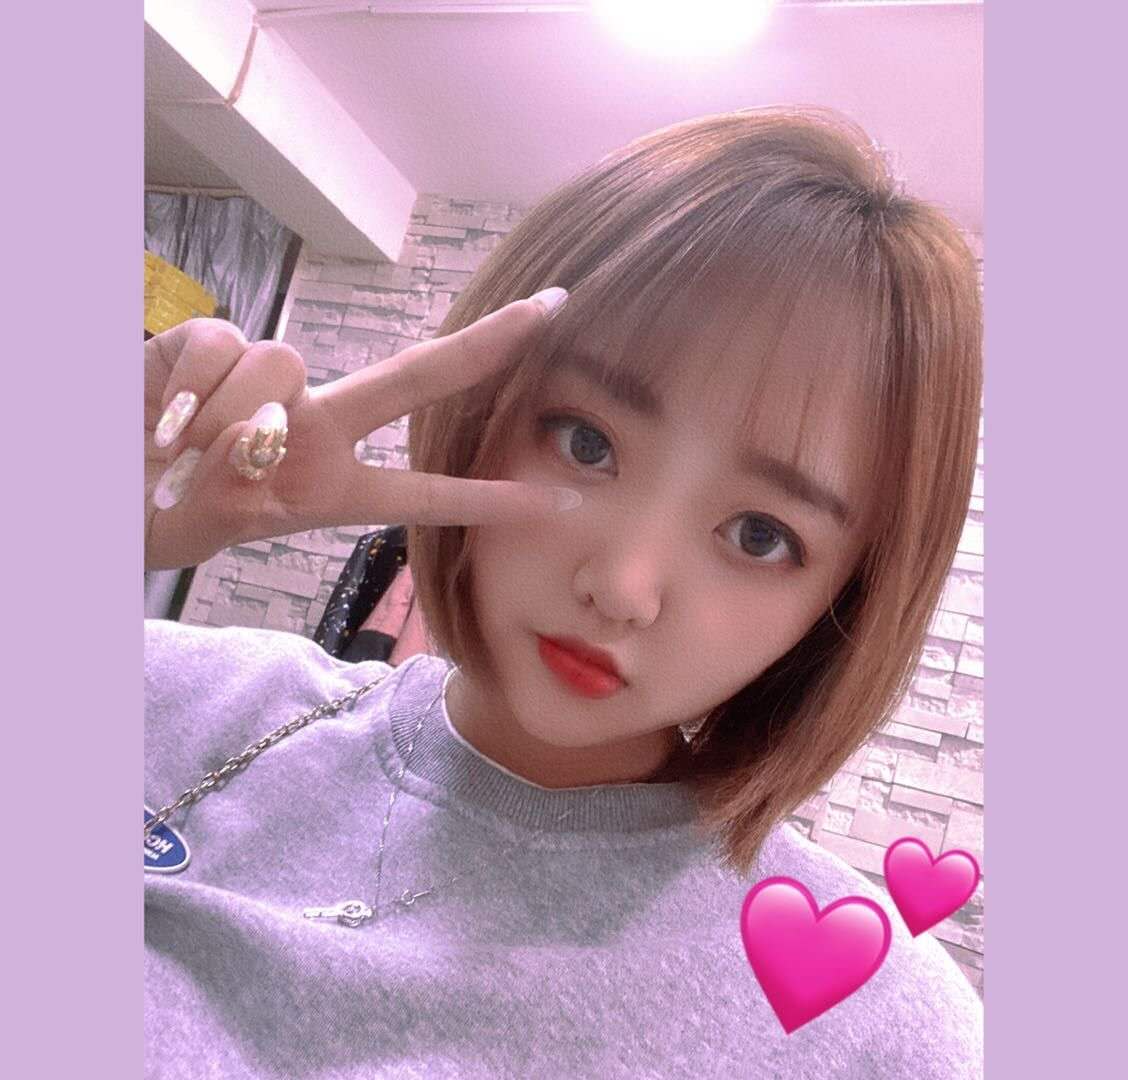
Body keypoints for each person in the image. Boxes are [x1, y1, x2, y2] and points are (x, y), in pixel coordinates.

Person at [144, 106, 984, 1078]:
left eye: (761, 535)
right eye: (587, 443)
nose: (622, 588)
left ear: (845, 604)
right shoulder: (178, 698)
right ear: (483, 409)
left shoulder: (872, 1024)